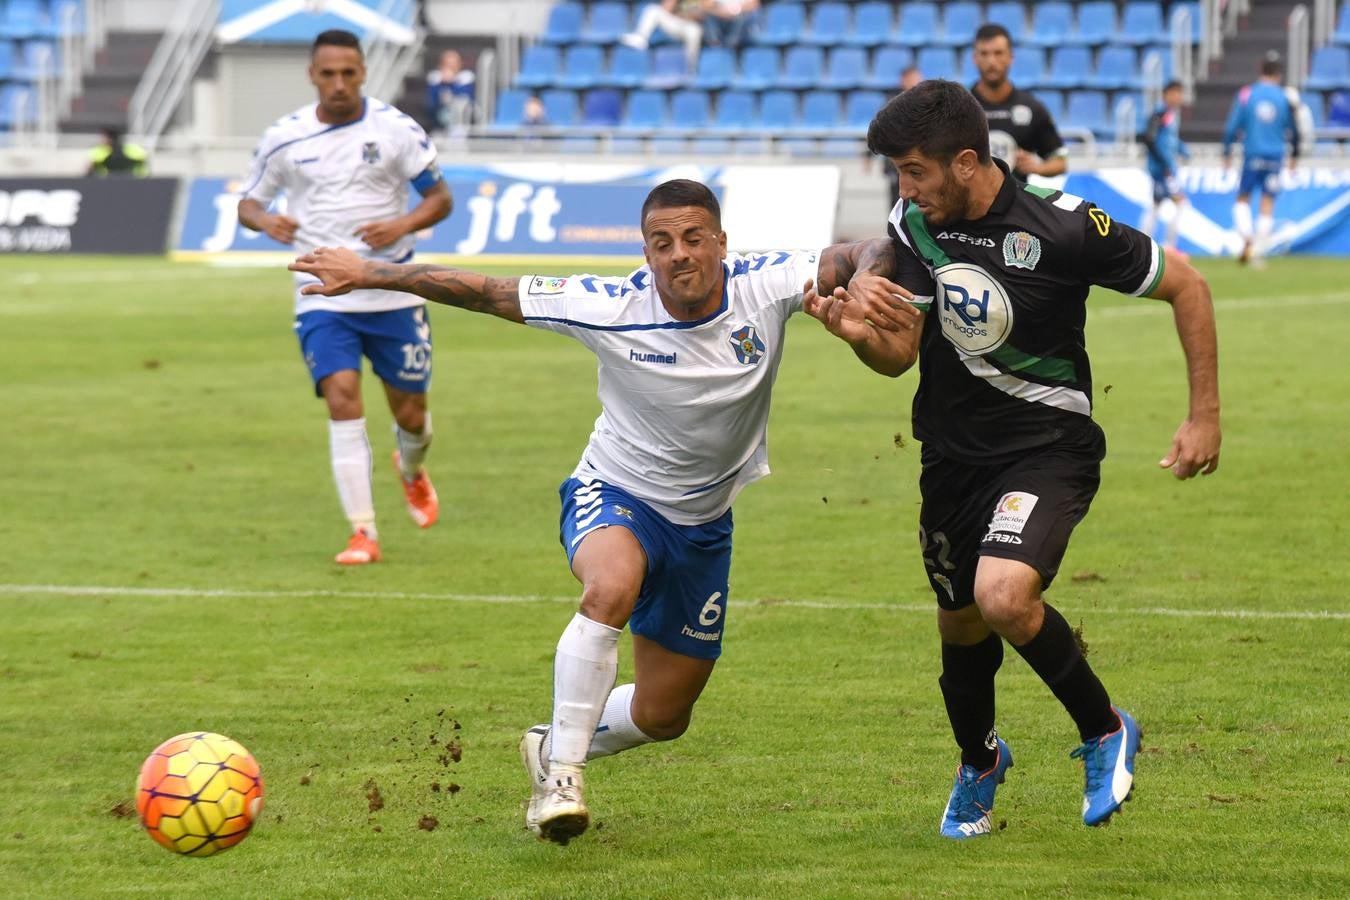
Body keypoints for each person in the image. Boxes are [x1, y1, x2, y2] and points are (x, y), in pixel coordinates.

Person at [288, 179, 916, 844]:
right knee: (610, 587)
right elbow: (484, 291)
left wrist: (869, 282)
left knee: (664, 714)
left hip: (703, 524)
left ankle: (551, 740)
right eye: (661, 243)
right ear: (645, 254)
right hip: (615, 491)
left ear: (721, 243)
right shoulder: (612, 305)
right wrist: (370, 272)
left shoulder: (765, 282)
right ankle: (560, 778)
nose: (679, 255)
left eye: (693, 239)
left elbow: (869, 248)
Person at [817, 79, 1219, 839]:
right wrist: (857, 332)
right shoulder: (915, 223)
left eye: (913, 171)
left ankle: (1105, 730)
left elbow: (1188, 286)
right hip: (951, 461)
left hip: (1047, 448)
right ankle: (980, 763)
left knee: (1002, 596)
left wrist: (1205, 414)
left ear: (965, 162)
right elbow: (898, 359)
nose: (903, 189)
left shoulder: (1064, 227)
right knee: (962, 624)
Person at [236, 29, 453, 565]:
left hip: (392, 287)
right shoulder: (283, 137)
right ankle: (364, 533)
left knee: (410, 412)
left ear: (362, 73)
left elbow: (441, 198)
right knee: (340, 395)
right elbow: (248, 202)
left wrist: (401, 222)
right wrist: (267, 220)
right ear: (312, 75)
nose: (338, 83)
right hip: (321, 292)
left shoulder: (396, 130)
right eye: (328, 73)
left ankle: (412, 471)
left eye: (348, 73)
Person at [1223, 52, 1300, 268]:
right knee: (1268, 203)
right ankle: (1258, 252)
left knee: (1242, 199)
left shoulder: (1247, 94)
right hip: (1275, 156)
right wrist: (1294, 156)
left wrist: (1227, 152)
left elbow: (1231, 127)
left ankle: (1247, 239)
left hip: (1252, 154)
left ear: (1260, 69)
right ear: (1279, 73)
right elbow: (1294, 130)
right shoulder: (1284, 97)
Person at [969, 23, 1067, 182]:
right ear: (975, 58)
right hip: (970, 205)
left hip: (1016, 204)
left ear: (1011, 57)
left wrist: (1038, 167)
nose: (991, 61)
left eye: (998, 53)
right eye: (984, 53)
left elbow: (1061, 159)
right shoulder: (959, 108)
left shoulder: (1031, 108)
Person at [1140, 80, 1192, 251]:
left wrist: (1183, 150)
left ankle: (1142, 245)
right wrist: (1163, 162)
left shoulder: (1170, 115)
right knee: (1181, 203)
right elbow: (1148, 137)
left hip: (1165, 169)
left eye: (1180, 93)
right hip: (1163, 171)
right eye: (1175, 93)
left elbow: (1170, 140)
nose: (1179, 97)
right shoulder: (1160, 113)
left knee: (1156, 205)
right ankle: (1169, 246)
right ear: (1166, 94)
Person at [882, 65, 925, 207]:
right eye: (913, 78)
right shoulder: (892, 104)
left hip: (919, 160)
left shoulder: (926, 103)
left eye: (917, 77)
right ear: (903, 80)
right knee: (897, 199)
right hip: (896, 161)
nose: (917, 81)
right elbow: (880, 130)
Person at [621, 0, 704, 71]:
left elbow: (698, 16)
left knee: (694, 31)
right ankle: (641, 37)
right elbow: (665, 8)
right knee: (652, 9)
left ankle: (691, 67)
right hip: (674, 23)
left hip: (689, 26)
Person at [425, 49, 476, 138]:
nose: (450, 68)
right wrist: (442, 84)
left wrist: (451, 83)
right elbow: (431, 104)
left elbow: (465, 99)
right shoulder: (435, 80)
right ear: (440, 66)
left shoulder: (466, 79)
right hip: (438, 125)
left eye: (453, 65)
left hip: (459, 124)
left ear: (459, 65)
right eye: (447, 65)